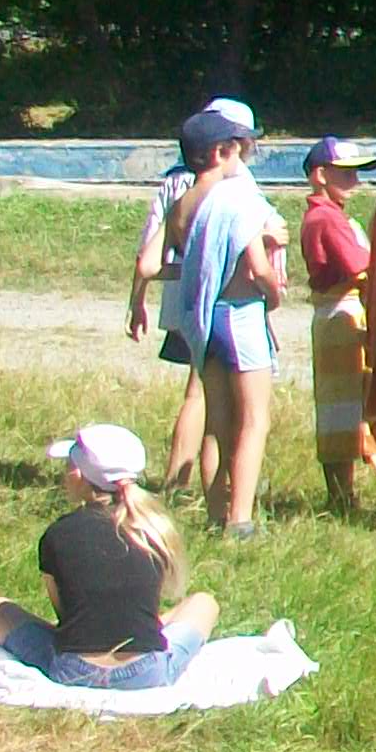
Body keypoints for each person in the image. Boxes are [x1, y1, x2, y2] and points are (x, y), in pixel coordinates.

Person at [0, 426, 217, 691]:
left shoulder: (59, 533)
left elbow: (64, 614)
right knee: (204, 603)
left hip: (73, 670)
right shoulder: (152, 531)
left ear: (78, 475)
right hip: (147, 673)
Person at [165, 105, 286, 538]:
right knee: (254, 420)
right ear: (220, 151)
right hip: (240, 314)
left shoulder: (183, 203)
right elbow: (257, 265)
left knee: (216, 421)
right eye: (238, 147)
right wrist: (274, 295)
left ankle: (216, 513)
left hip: (205, 317)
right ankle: (241, 519)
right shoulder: (236, 199)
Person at [125, 99, 246, 496]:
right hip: (222, 305)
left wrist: (137, 302)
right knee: (215, 404)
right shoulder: (230, 189)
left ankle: (183, 481)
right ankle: (205, 488)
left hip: (182, 303)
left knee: (197, 394)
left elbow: (147, 261)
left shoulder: (176, 189)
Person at [299, 136, 376, 512]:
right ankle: (340, 495)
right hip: (340, 316)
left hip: (341, 314)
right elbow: (358, 265)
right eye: (345, 173)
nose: (354, 181)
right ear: (320, 175)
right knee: (340, 407)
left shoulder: (332, 215)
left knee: (346, 404)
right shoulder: (326, 218)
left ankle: (344, 493)